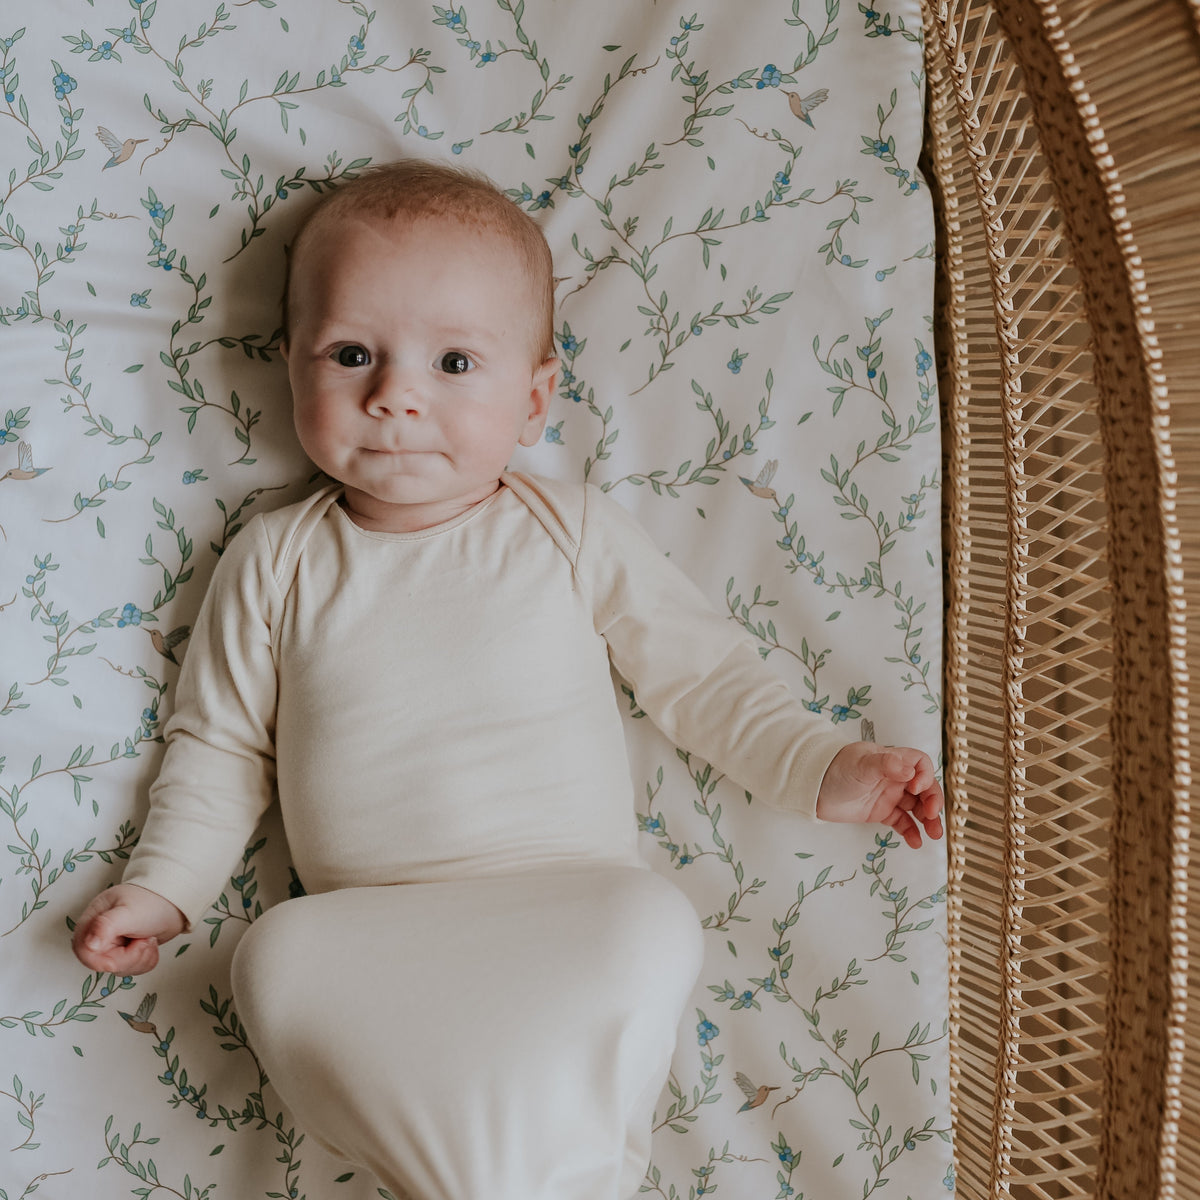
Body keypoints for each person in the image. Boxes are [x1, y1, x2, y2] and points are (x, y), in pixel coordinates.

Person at [73, 160, 943, 1200]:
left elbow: (704, 674)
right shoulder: (274, 558)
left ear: (533, 400)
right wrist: (166, 887)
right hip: (375, 933)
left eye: (452, 362)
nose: (395, 395)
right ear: (291, 369)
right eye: (352, 355)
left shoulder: (566, 530)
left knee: (651, 922)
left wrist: (822, 765)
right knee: (275, 955)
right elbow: (216, 747)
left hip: (563, 910)